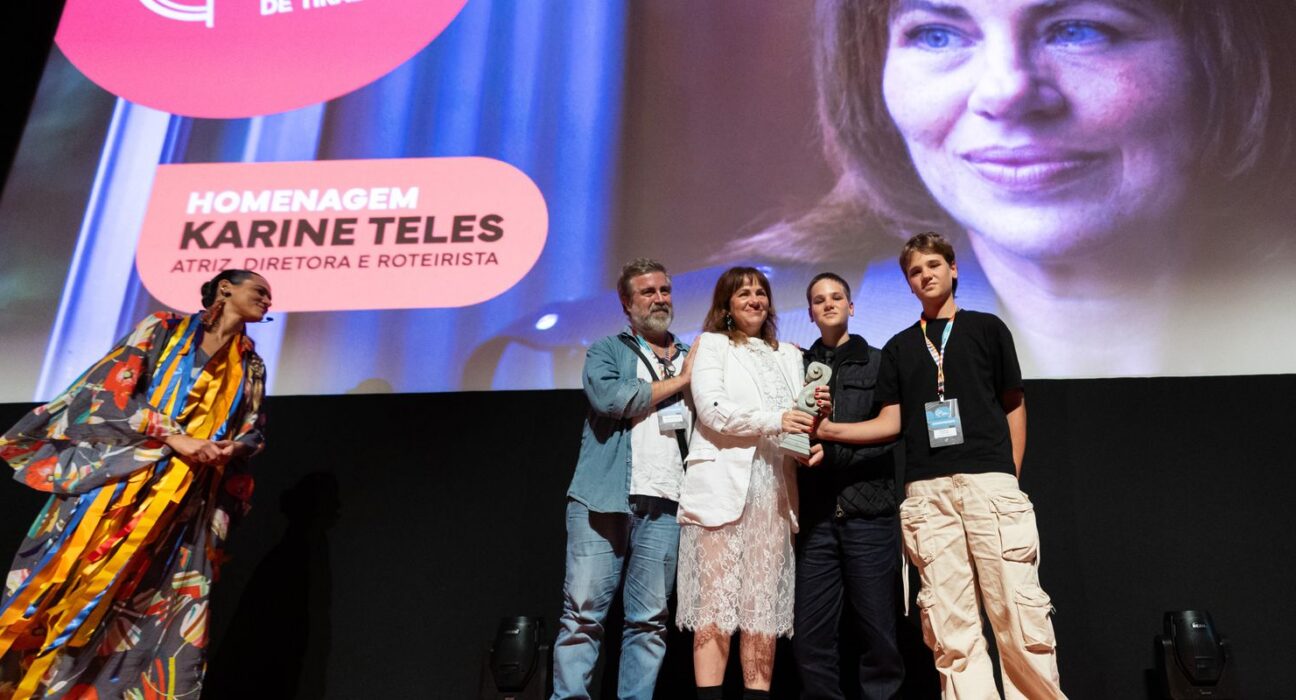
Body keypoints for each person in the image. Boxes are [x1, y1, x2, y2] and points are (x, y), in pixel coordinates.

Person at [727, 0, 1296, 378]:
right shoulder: (742, 350)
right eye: (937, 33)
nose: (1005, 92)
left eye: (1080, 29)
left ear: (1226, 61)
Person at [815, 233, 1065, 698]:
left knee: (1018, 615)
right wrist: (827, 430)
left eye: (933, 265)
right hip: (928, 496)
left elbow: (1014, 404)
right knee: (951, 629)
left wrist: (1008, 475)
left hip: (989, 484)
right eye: (915, 270)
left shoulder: (988, 328)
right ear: (908, 284)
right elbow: (889, 422)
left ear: (953, 269)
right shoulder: (899, 347)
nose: (925, 274)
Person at [0, 269, 270, 698]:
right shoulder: (164, 328)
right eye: (260, 291)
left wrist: (227, 449)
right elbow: (109, 391)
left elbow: (253, 430)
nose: (267, 300)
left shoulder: (251, 364)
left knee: (159, 608)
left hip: (182, 507)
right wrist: (174, 436)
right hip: (120, 484)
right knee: (66, 585)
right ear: (225, 288)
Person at [551, 258, 695, 700]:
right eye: (648, 292)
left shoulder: (692, 355)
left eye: (665, 291)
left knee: (649, 622)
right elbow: (614, 398)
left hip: (667, 502)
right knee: (582, 617)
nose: (659, 299)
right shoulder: (607, 350)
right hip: (602, 500)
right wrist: (683, 381)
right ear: (626, 304)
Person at [676, 266, 821, 700]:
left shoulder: (789, 355)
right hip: (721, 487)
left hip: (774, 492)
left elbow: (799, 423)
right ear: (726, 305)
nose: (755, 300)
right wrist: (775, 421)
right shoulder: (712, 345)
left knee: (761, 610)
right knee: (714, 607)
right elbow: (713, 411)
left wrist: (808, 443)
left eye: (761, 293)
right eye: (744, 294)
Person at [793, 273, 903, 699]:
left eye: (836, 297)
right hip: (816, 519)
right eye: (819, 300)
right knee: (810, 642)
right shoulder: (797, 366)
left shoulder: (879, 361)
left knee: (880, 640)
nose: (828, 304)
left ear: (852, 307)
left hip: (870, 514)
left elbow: (892, 428)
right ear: (810, 313)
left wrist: (832, 433)